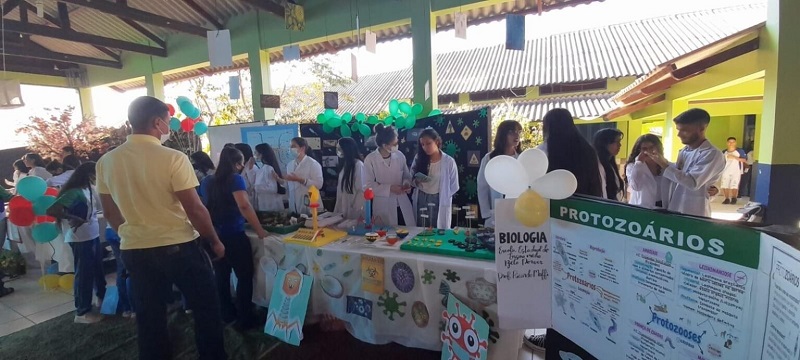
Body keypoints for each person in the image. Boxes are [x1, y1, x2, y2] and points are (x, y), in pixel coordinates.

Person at [96, 96, 227, 360]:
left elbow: (110, 212)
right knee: (206, 309)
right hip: (178, 248)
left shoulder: (106, 162)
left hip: (134, 250)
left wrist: (134, 233)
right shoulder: (173, 158)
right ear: (157, 122)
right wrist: (214, 240)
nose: (169, 126)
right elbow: (195, 208)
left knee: (149, 317)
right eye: (167, 121)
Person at [525, 108, 603, 353]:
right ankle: (580, 339)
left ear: (548, 127)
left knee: (555, 285)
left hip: (552, 227)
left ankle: (553, 339)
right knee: (579, 283)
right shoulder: (588, 151)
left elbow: (528, 193)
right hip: (583, 226)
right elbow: (599, 189)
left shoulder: (542, 153)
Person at [200, 147, 269, 330]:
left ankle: (226, 313)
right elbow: (244, 206)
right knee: (244, 276)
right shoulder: (235, 179)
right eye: (241, 163)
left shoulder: (207, 181)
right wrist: (260, 230)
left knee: (221, 276)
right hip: (234, 236)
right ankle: (245, 317)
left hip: (214, 235)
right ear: (237, 164)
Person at [47, 162, 106, 324]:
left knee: (97, 270)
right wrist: (74, 218)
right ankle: (82, 312)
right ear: (88, 174)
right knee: (84, 274)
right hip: (80, 238)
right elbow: (52, 210)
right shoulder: (73, 192)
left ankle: (100, 298)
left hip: (92, 234)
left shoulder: (89, 189)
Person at [645, 108, 725, 217]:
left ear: (701, 128)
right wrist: (662, 161)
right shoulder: (684, 151)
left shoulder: (711, 154)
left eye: (684, 130)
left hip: (694, 211)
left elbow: (692, 182)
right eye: (678, 130)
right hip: (675, 207)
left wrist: (664, 164)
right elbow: (679, 173)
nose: (679, 134)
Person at [538, 108, 604, 197]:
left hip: (554, 204)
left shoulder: (543, 151)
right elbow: (598, 181)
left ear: (547, 127)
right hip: (585, 203)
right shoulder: (587, 149)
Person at [364, 124, 415, 227]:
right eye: (395, 143)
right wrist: (390, 188)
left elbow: (406, 174)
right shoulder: (371, 159)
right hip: (383, 203)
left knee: (408, 232)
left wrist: (406, 182)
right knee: (386, 237)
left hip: (402, 202)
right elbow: (367, 186)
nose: (397, 145)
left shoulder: (400, 155)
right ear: (385, 145)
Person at [411, 128, 459, 228]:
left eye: (428, 143)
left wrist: (444, 194)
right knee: (421, 228)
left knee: (437, 228)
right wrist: (417, 181)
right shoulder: (418, 158)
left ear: (437, 141)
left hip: (439, 198)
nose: (425, 147)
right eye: (422, 144)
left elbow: (454, 186)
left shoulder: (449, 161)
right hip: (421, 197)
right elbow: (411, 179)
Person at [478, 120, 522, 227]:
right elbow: (482, 186)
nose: (517, 135)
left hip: (518, 213)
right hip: (494, 213)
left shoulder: (522, 158)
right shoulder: (489, 158)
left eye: (519, 132)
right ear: (503, 134)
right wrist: (487, 213)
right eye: (512, 132)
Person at [625, 134, 669, 209]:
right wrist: (639, 163)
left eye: (652, 147)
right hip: (642, 208)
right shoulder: (632, 167)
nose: (648, 151)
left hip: (663, 208)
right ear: (639, 151)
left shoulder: (666, 165)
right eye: (644, 149)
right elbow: (636, 187)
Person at [282, 137, 324, 215]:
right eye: (290, 146)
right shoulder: (290, 165)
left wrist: (300, 180)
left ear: (302, 148)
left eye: (293, 146)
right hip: (294, 205)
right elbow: (289, 186)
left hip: (310, 204)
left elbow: (319, 184)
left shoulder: (313, 164)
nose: (290, 149)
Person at [334, 137, 366, 220]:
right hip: (343, 209)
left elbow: (362, 190)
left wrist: (356, 209)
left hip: (355, 211)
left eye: (340, 149)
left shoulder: (358, 165)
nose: (338, 151)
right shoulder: (345, 165)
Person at [594, 128, 625, 201]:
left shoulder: (610, 163)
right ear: (605, 144)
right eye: (616, 142)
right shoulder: (598, 165)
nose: (620, 145)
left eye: (619, 141)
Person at [253, 143, 285, 212]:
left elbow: (273, 188)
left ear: (261, 154)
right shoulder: (263, 168)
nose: (254, 155)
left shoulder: (268, 168)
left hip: (271, 205)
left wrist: (256, 187)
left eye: (256, 152)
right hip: (265, 204)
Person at [720, 137, 747, 205]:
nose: (731, 143)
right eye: (730, 142)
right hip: (725, 171)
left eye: (733, 142)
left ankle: (734, 198)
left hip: (736, 171)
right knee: (725, 185)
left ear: (735, 143)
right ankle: (726, 198)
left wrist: (734, 157)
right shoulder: (724, 152)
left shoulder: (740, 151)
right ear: (727, 143)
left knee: (734, 185)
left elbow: (744, 160)